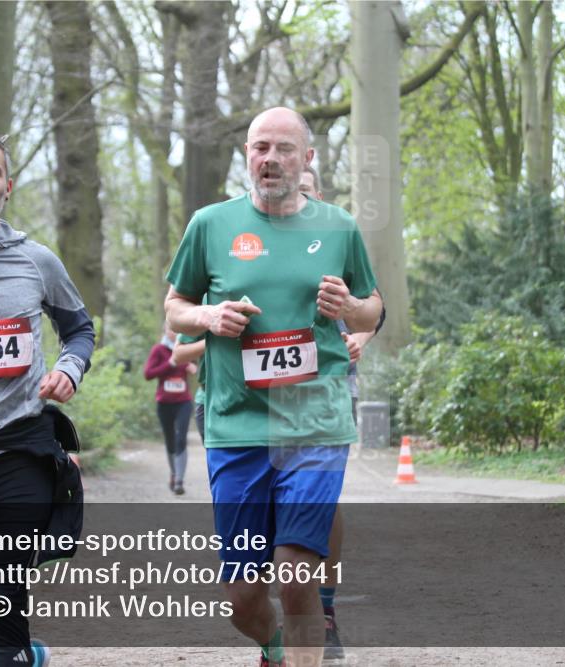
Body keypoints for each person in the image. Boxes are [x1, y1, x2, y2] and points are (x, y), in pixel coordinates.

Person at [165, 107, 383, 667]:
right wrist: (208, 316)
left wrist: (352, 306)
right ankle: (274, 647)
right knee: (242, 600)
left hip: (315, 421)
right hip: (237, 423)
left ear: (306, 158)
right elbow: (175, 306)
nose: (271, 158)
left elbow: (372, 310)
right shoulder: (209, 224)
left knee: (296, 576)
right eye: (260, 147)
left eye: (284, 148)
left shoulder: (338, 226)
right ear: (247, 154)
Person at [0, 126, 95, 667]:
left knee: (5, 596)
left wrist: (69, 370)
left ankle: (12, 651)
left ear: (8, 185)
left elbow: (79, 329)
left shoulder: (37, 260)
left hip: (19, 447)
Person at [299, 165, 384, 661]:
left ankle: (324, 609)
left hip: (328, 387)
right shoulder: (246, 238)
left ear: (318, 193)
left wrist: (361, 336)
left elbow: (374, 307)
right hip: (259, 395)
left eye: (306, 190)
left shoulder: (337, 234)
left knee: (322, 501)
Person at [144, 320, 197, 494]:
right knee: (170, 440)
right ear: (165, 331)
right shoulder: (158, 350)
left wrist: (192, 367)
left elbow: (197, 367)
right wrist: (171, 363)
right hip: (164, 403)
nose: (173, 332)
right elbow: (148, 374)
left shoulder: (186, 348)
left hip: (183, 402)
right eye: (170, 329)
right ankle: (174, 473)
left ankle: (179, 481)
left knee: (181, 438)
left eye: (176, 329)